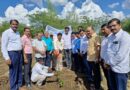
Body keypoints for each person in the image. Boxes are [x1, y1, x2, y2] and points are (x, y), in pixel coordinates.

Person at [104, 18, 130, 90]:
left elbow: (120, 55)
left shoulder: (125, 36)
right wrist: (106, 62)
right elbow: (108, 51)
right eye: (110, 26)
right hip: (111, 68)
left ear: (120, 25)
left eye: (114, 25)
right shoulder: (111, 37)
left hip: (120, 70)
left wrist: (109, 63)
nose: (112, 28)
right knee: (112, 87)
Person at [1, 19, 23, 90]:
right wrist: (7, 58)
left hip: (19, 53)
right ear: (10, 25)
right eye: (13, 24)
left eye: (16, 24)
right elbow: (3, 46)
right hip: (12, 53)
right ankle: (13, 87)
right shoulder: (6, 33)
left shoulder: (18, 33)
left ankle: (19, 85)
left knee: (19, 70)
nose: (15, 26)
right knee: (13, 71)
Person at [86, 26, 102, 90]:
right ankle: (92, 84)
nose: (87, 32)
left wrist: (97, 58)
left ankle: (97, 87)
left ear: (93, 30)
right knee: (91, 72)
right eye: (87, 31)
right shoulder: (90, 37)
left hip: (94, 59)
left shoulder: (96, 37)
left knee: (96, 74)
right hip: (89, 58)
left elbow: (98, 48)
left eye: (88, 31)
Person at [100, 23, 112, 90]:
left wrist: (107, 62)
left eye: (104, 29)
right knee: (107, 77)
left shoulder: (112, 37)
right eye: (102, 30)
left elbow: (110, 51)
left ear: (109, 28)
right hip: (103, 61)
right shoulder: (104, 37)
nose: (102, 31)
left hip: (108, 63)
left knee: (110, 78)